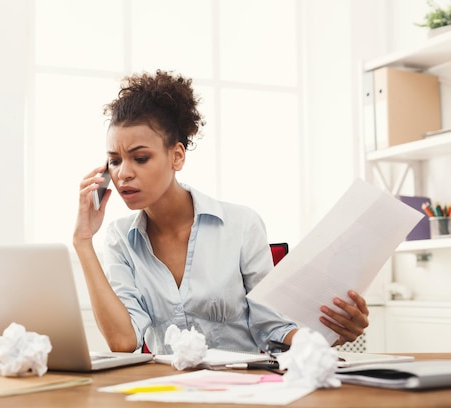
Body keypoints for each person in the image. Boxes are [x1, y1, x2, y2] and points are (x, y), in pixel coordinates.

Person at [73, 69, 369, 355]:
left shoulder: (241, 225)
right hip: (169, 393)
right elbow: (123, 342)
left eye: (140, 158)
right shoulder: (120, 238)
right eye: (114, 160)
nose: (123, 173)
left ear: (176, 156)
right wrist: (83, 241)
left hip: (241, 391)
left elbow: (274, 329)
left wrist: (329, 333)